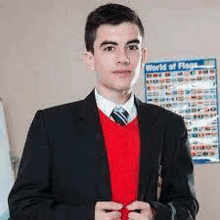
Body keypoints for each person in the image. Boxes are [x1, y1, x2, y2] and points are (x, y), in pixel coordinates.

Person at [8, 3, 199, 220]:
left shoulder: (170, 126)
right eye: (109, 48)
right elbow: (23, 208)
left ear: (143, 56)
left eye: (132, 47)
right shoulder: (51, 125)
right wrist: (85, 216)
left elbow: (186, 205)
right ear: (90, 60)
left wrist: (158, 214)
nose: (123, 58)